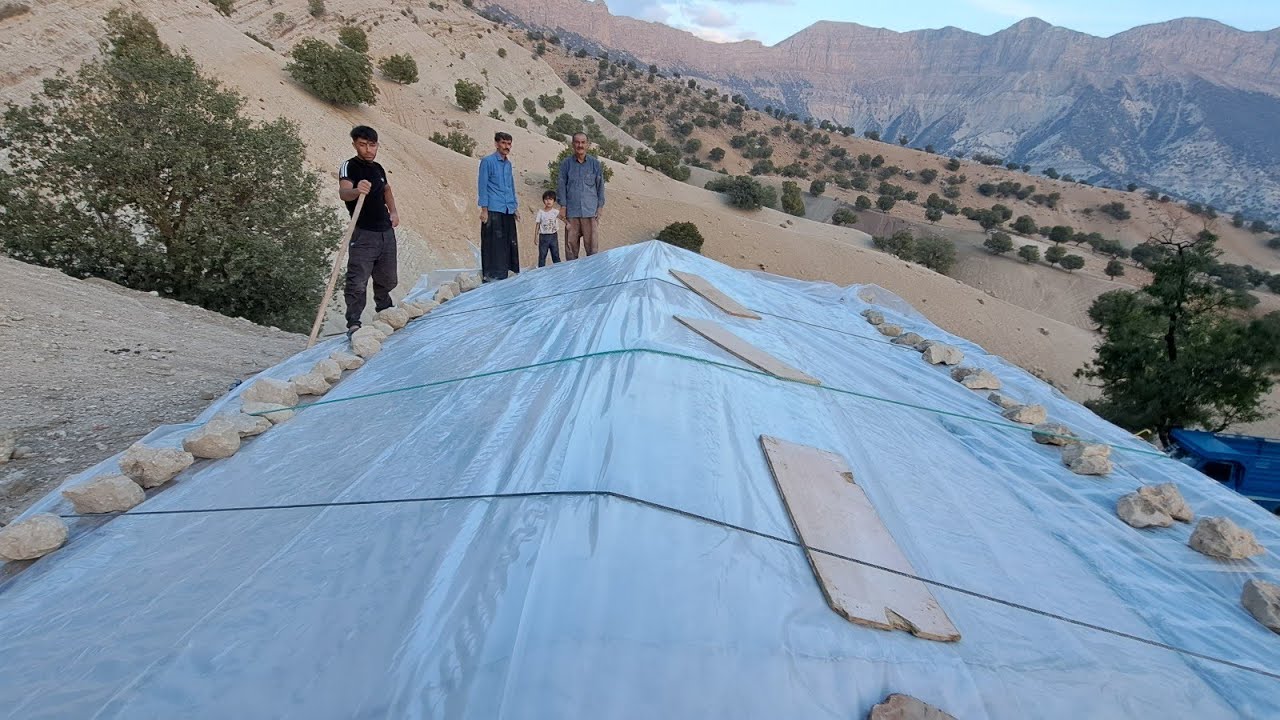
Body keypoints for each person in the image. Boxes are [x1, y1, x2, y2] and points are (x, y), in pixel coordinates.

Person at [338, 125, 399, 337]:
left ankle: (384, 309)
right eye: (363, 145)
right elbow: (344, 193)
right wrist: (357, 190)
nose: (368, 150)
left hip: (385, 231)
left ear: (377, 146)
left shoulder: (378, 169)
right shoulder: (350, 166)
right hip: (363, 232)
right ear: (355, 144)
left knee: (388, 277)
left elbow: (387, 190)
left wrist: (393, 212)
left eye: (372, 145)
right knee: (358, 281)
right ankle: (353, 322)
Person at [477, 132, 520, 282]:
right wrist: (484, 209)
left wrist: (515, 207)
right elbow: (482, 185)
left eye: (509, 144)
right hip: (494, 207)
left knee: (509, 241)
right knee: (493, 243)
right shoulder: (487, 162)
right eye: (503, 143)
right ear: (496, 144)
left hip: (508, 207)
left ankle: (507, 273)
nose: (506, 147)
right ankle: (491, 275)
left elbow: (511, 185)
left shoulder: (508, 164)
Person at [557, 132, 606, 260]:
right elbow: (561, 185)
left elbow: (600, 186)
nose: (580, 145)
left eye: (583, 142)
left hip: (590, 212)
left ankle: (592, 277)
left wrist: (600, 207)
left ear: (588, 145)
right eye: (577, 142)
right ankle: (572, 277)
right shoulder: (566, 164)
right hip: (571, 213)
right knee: (571, 250)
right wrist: (563, 206)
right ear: (573, 144)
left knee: (592, 250)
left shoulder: (595, 164)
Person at [533, 190, 562, 267]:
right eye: (546, 199)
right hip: (543, 237)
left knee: (555, 254)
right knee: (542, 256)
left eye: (551, 199)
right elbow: (538, 224)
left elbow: (563, 218)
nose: (548, 201)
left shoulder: (556, 212)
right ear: (543, 201)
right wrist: (535, 237)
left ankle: (560, 271)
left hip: (553, 236)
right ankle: (541, 272)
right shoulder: (541, 212)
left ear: (554, 201)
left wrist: (568, 223)